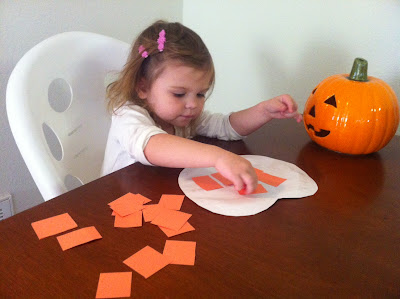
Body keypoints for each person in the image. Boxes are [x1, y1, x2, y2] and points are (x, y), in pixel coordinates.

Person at [101, 20, 302, 195]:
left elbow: (226, 127)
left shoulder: (184, 118)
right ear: (142, 87)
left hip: (158, 198)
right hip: (115, 207)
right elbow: (151, 145)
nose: (193, 104)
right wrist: (218, 157)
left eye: (200, 94)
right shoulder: (127, 115)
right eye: (179, 94)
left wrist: (263, 111)